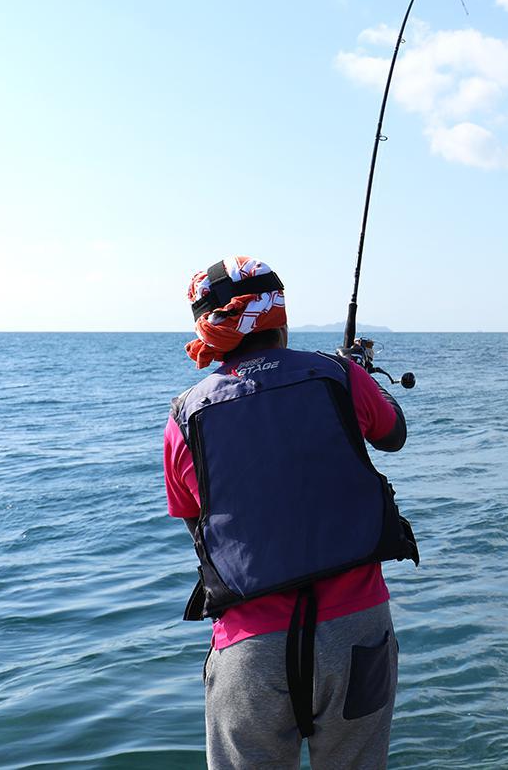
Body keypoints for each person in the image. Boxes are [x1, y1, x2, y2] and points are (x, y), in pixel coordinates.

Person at [163, 255, 418, 770]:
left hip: (249, 651)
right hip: (356, 633)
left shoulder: (184, 415)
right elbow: (393, 434)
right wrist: (356, 375)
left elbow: (197, 519)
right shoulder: (337, 375)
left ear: (208, 329)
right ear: (280, 316)